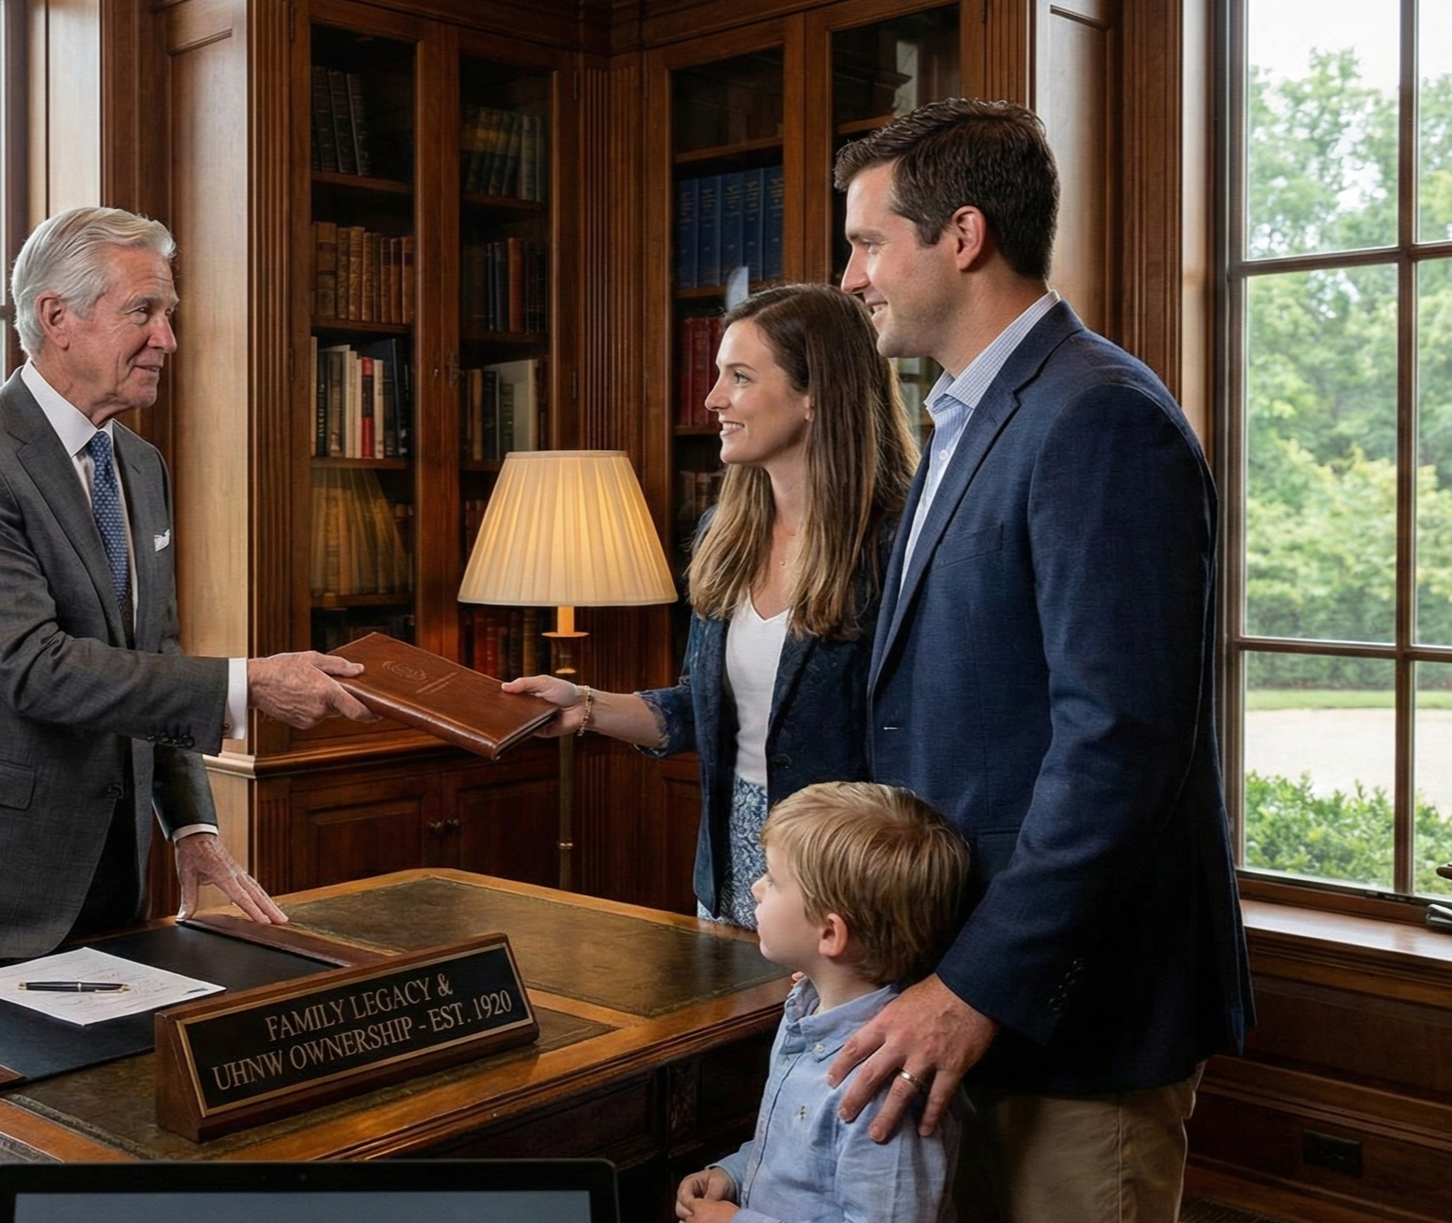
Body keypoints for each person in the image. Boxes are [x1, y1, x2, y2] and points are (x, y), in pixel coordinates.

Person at [824, 99, 1252, 1223]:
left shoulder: (1099, 417)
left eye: (869, 242)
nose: (850, 274)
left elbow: (1120, 747)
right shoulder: (967, 415)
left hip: (1073, 1015)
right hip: (965, 986)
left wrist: (974, 986)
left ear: (962, 237)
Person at [0, 206, 375, 968]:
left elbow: (150, 653)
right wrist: (249, 683)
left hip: (109, 880)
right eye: (143, 311)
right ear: (55, 317)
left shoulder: (138, 464)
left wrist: (192, 828)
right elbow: (37, 667)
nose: (166, 337)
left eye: (167, 314)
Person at [506, 283, 916, 926]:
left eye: (740, 377)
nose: (712, 399)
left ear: (816, 396)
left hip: (845, 891)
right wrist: (584, 708)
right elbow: (702, 709)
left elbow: (915, 753)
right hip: (725, 872)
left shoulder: (899, 544)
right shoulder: (723, 533)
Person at [675, 781, 971, 1223]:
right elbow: (801, 1155)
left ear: (830, 934)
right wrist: (734, 1173)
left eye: (773, 880)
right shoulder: (805, 1009)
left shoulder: (877, 1085)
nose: (757, 889)